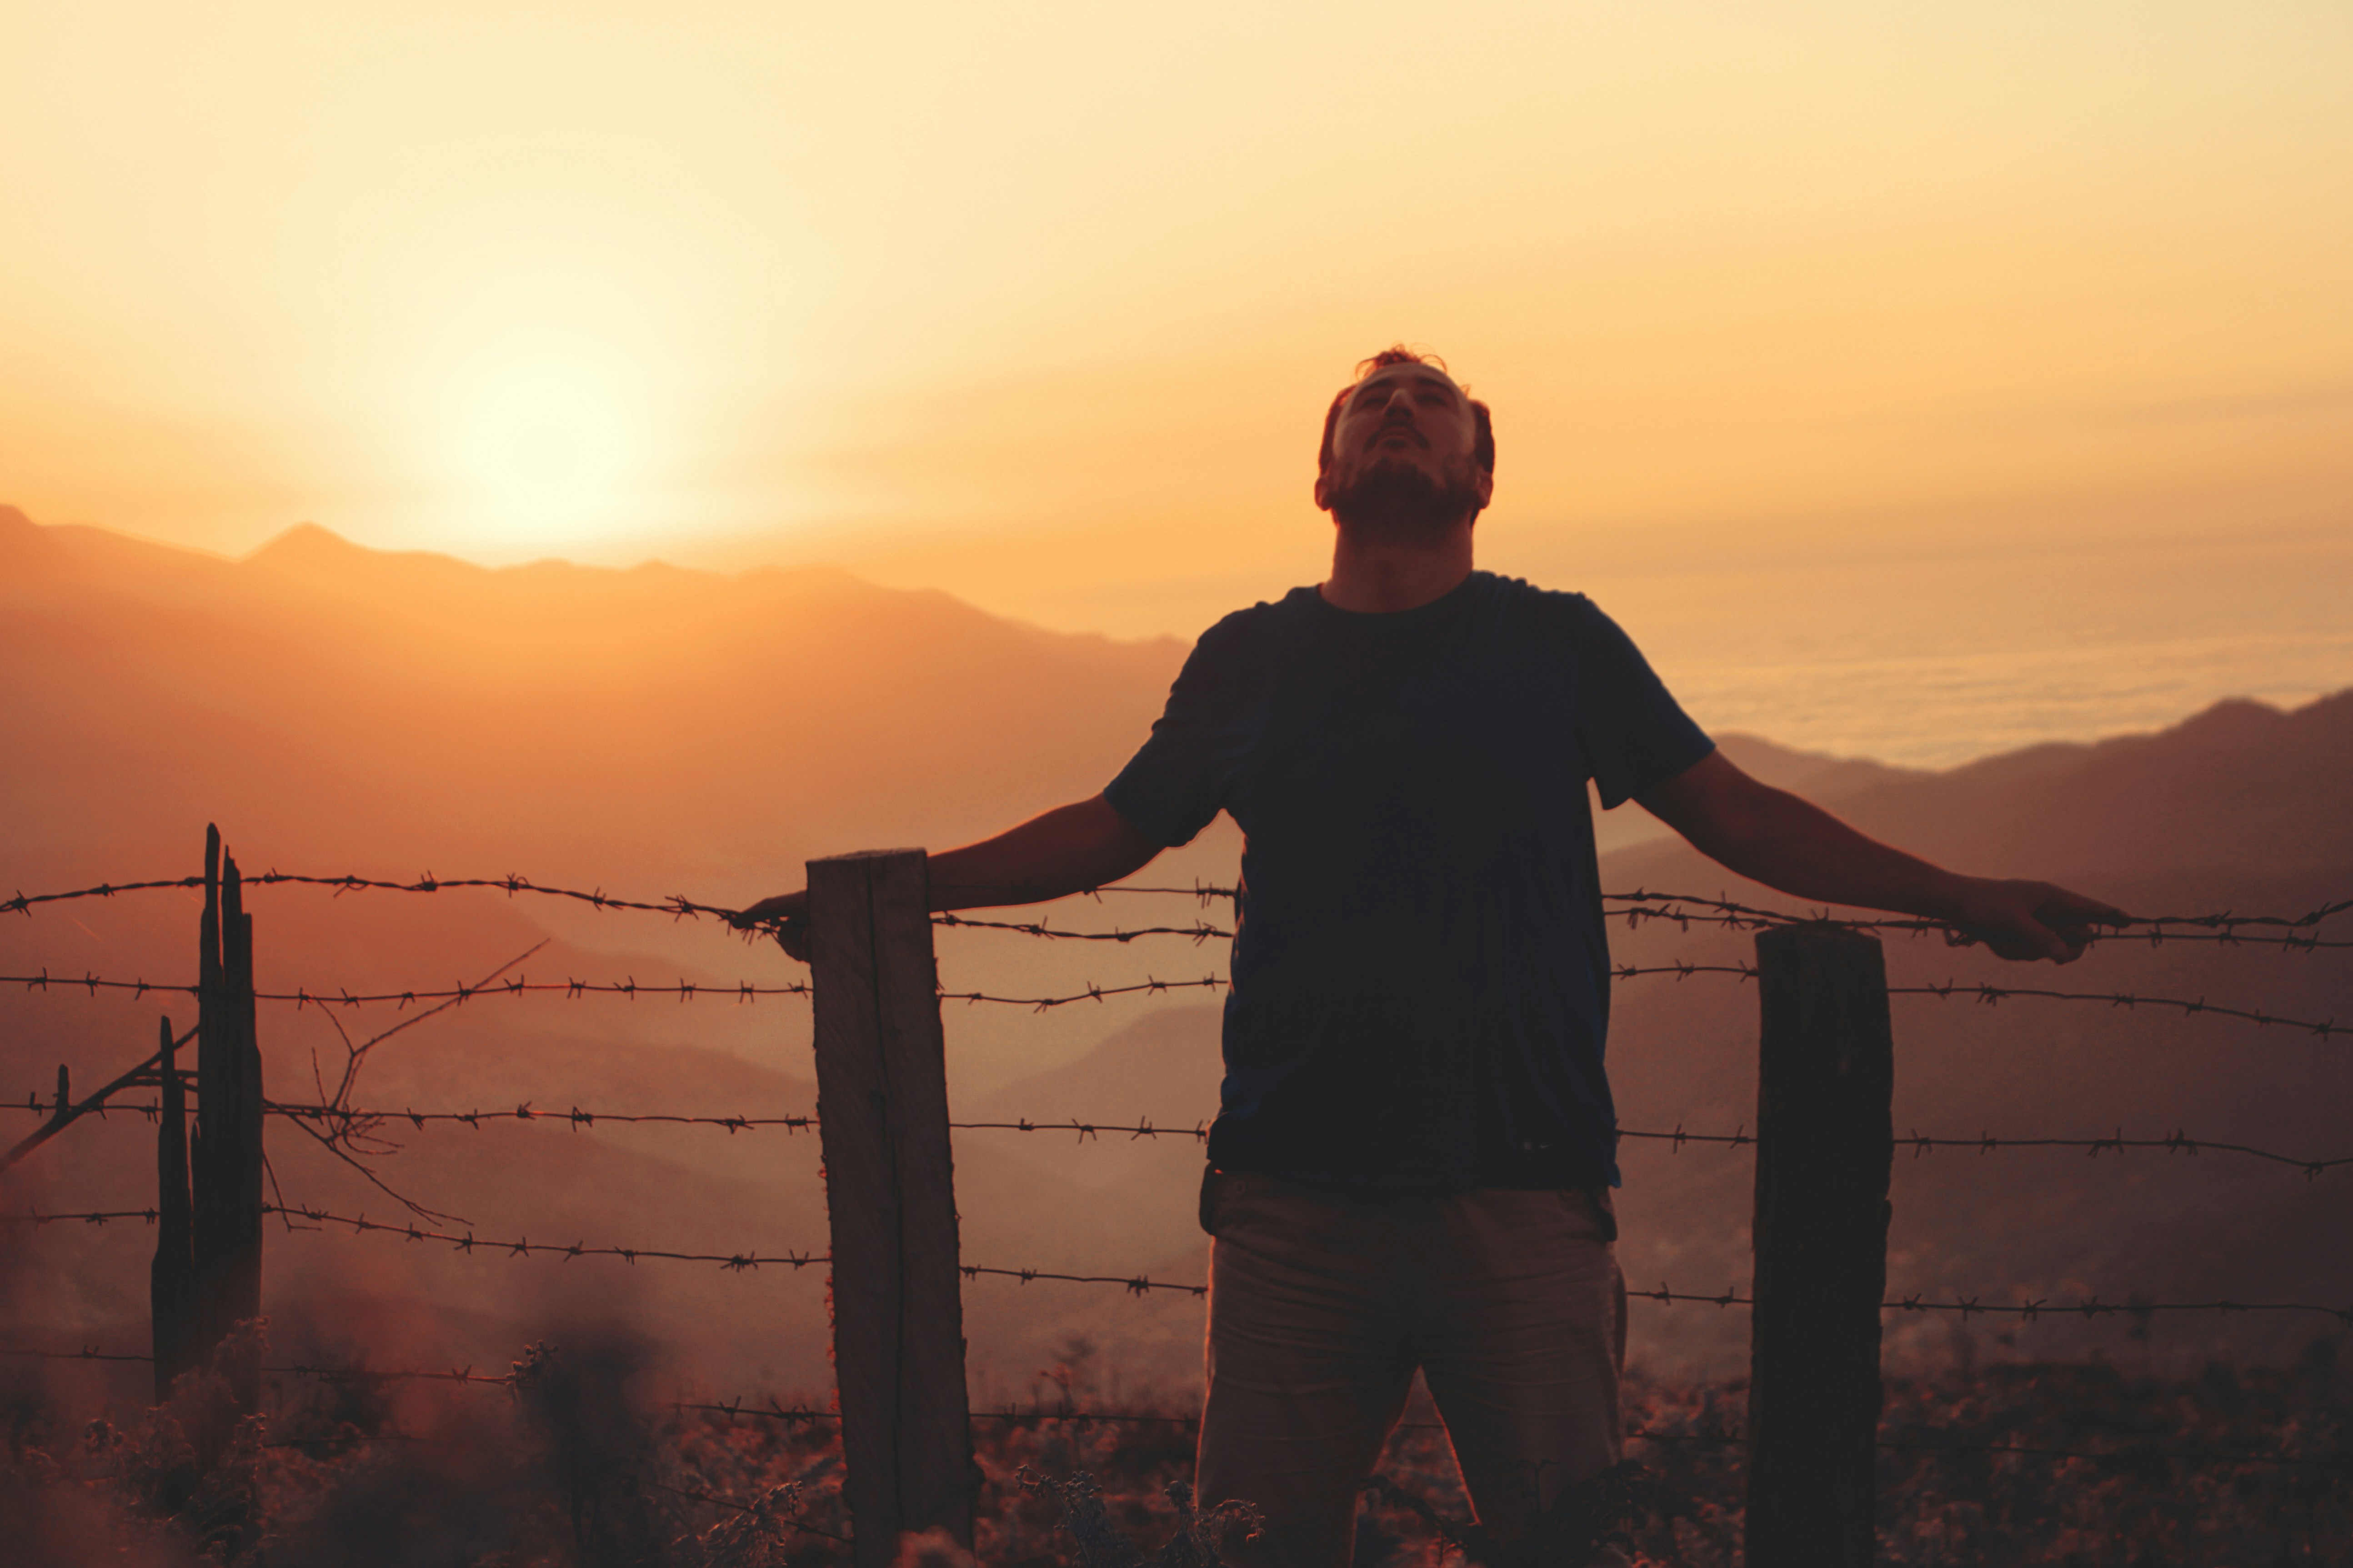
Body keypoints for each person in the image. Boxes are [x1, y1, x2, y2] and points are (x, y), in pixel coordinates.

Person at [738, 347, 2125, 1566]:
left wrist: (1959, 894)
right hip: (1292, 1208)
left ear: (1482, 471)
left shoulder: (1559, 642)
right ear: (1324, 475)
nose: (1399, 409)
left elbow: (1738, 813)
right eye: (1371, 403)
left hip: (1522, 1196)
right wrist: (894, 896)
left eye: (1432, 400)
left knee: (1565, 1550)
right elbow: (1113, 826)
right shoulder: (1249, 657)